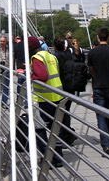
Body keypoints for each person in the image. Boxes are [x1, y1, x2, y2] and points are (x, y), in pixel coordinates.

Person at [28, 36, 65, 168]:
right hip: (57, 96)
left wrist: (30, 74)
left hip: (44, 98)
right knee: (56, 129)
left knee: (39, 128)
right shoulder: (51, 56)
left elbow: (42, 76)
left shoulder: (36, 58)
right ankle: (58, 156)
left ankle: (47, 158)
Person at [87, 27, 109, 155]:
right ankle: (108, 138)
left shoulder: (92, 53)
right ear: (108, 37)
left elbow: (90, 69)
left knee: (100, 116)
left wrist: (95, 77)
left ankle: (106, 143)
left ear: (98, 37)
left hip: (98, 86)